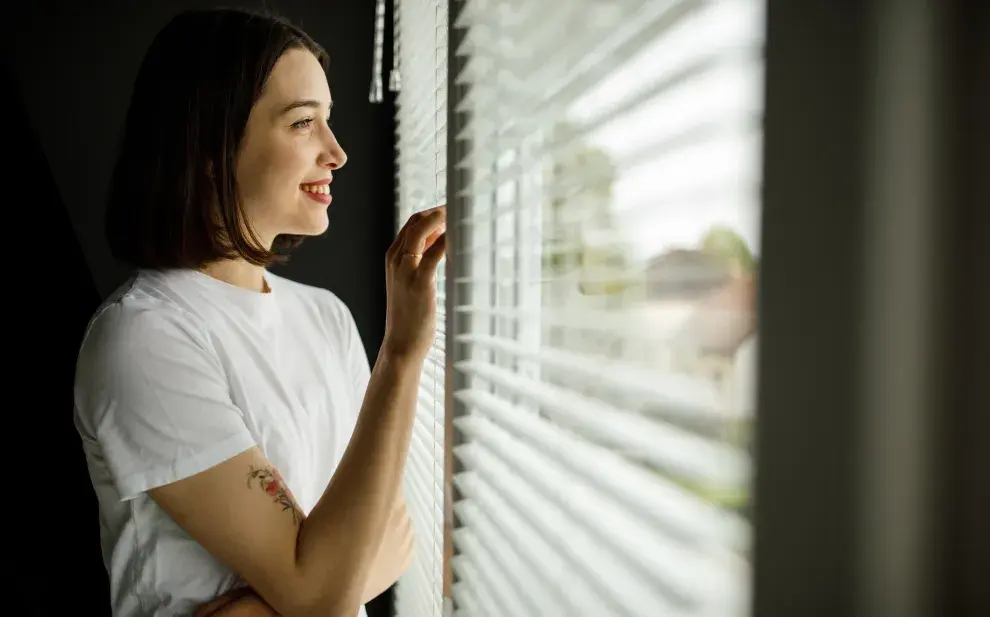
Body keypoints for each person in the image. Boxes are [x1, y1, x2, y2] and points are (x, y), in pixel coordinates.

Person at [73, 9, 445, 617]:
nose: (338, 152)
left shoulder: (327, 318)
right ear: (211, 147)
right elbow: (327, 592)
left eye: (329, 120)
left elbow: (392, 531)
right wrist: (402, 352)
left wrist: (259, 611)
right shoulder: (145, 337)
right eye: (303, 123)